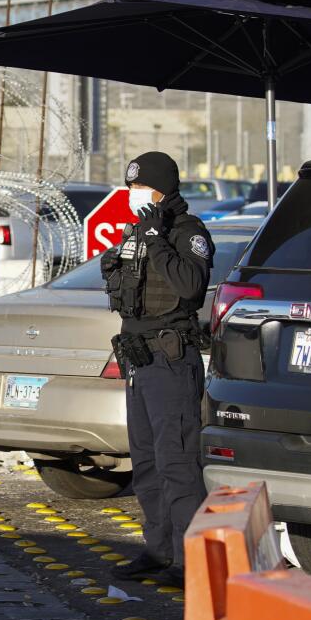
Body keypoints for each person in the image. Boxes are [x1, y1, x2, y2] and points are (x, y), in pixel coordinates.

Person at [100, 151, 214, 587]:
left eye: (140, 187)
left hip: (171, 360)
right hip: (138, 358)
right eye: (130, 188)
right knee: (145, 461)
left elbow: (190, 286)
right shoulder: (137, 231)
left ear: (162, 189)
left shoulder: (187, 232)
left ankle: (190, 563)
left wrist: (157, 240)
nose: (133, 195)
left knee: (178, 463)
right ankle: (158, 549)